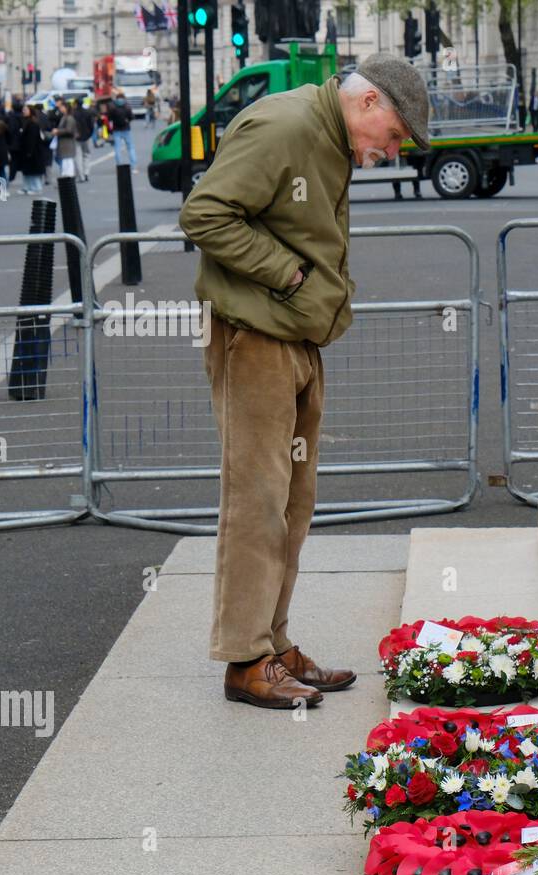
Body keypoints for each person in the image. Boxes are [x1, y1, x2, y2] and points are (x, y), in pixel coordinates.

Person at [178, 54, 431, 710]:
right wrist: (290, 276)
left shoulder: (324, 132)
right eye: (397, 134)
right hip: (257, 336)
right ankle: (245, 661)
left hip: (292, 334)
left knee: (291, 501)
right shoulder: (285, 125)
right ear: (369, 102)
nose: (393, 149)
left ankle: (272, 644)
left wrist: (312, 290)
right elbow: (205, 215)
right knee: (256, 501)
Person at [17, 105, 47, 194]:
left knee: (33, 171)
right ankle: (27, 187)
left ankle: (36, 188)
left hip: (33, 151)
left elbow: (32, 139)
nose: (23, 111)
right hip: (27, 150)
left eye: (25, 109)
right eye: (23, 109)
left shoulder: (33, 123)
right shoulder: (26, 121)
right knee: (27, 170)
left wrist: (29, 151)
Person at [109, 90, 136, 170]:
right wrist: (127, 120)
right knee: (130, 147)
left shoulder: (112, 107)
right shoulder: (127, 106)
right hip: (126, 129)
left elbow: (110, 118)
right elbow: (131, 117)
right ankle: (133, 165)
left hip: (116, 129)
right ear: (124, 98)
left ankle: (119, 164)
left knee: (117, 148)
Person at [53, 99, 79, 179]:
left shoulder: (69, 118)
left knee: (68, 162)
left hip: (67, 143)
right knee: (65, 162)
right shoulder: (64, 117)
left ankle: (69, 178)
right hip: (64, 143)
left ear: (66, 108)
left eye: (62, 107)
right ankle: (66, 178)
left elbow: (69, 130)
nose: (60, 109)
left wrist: (58, 131)